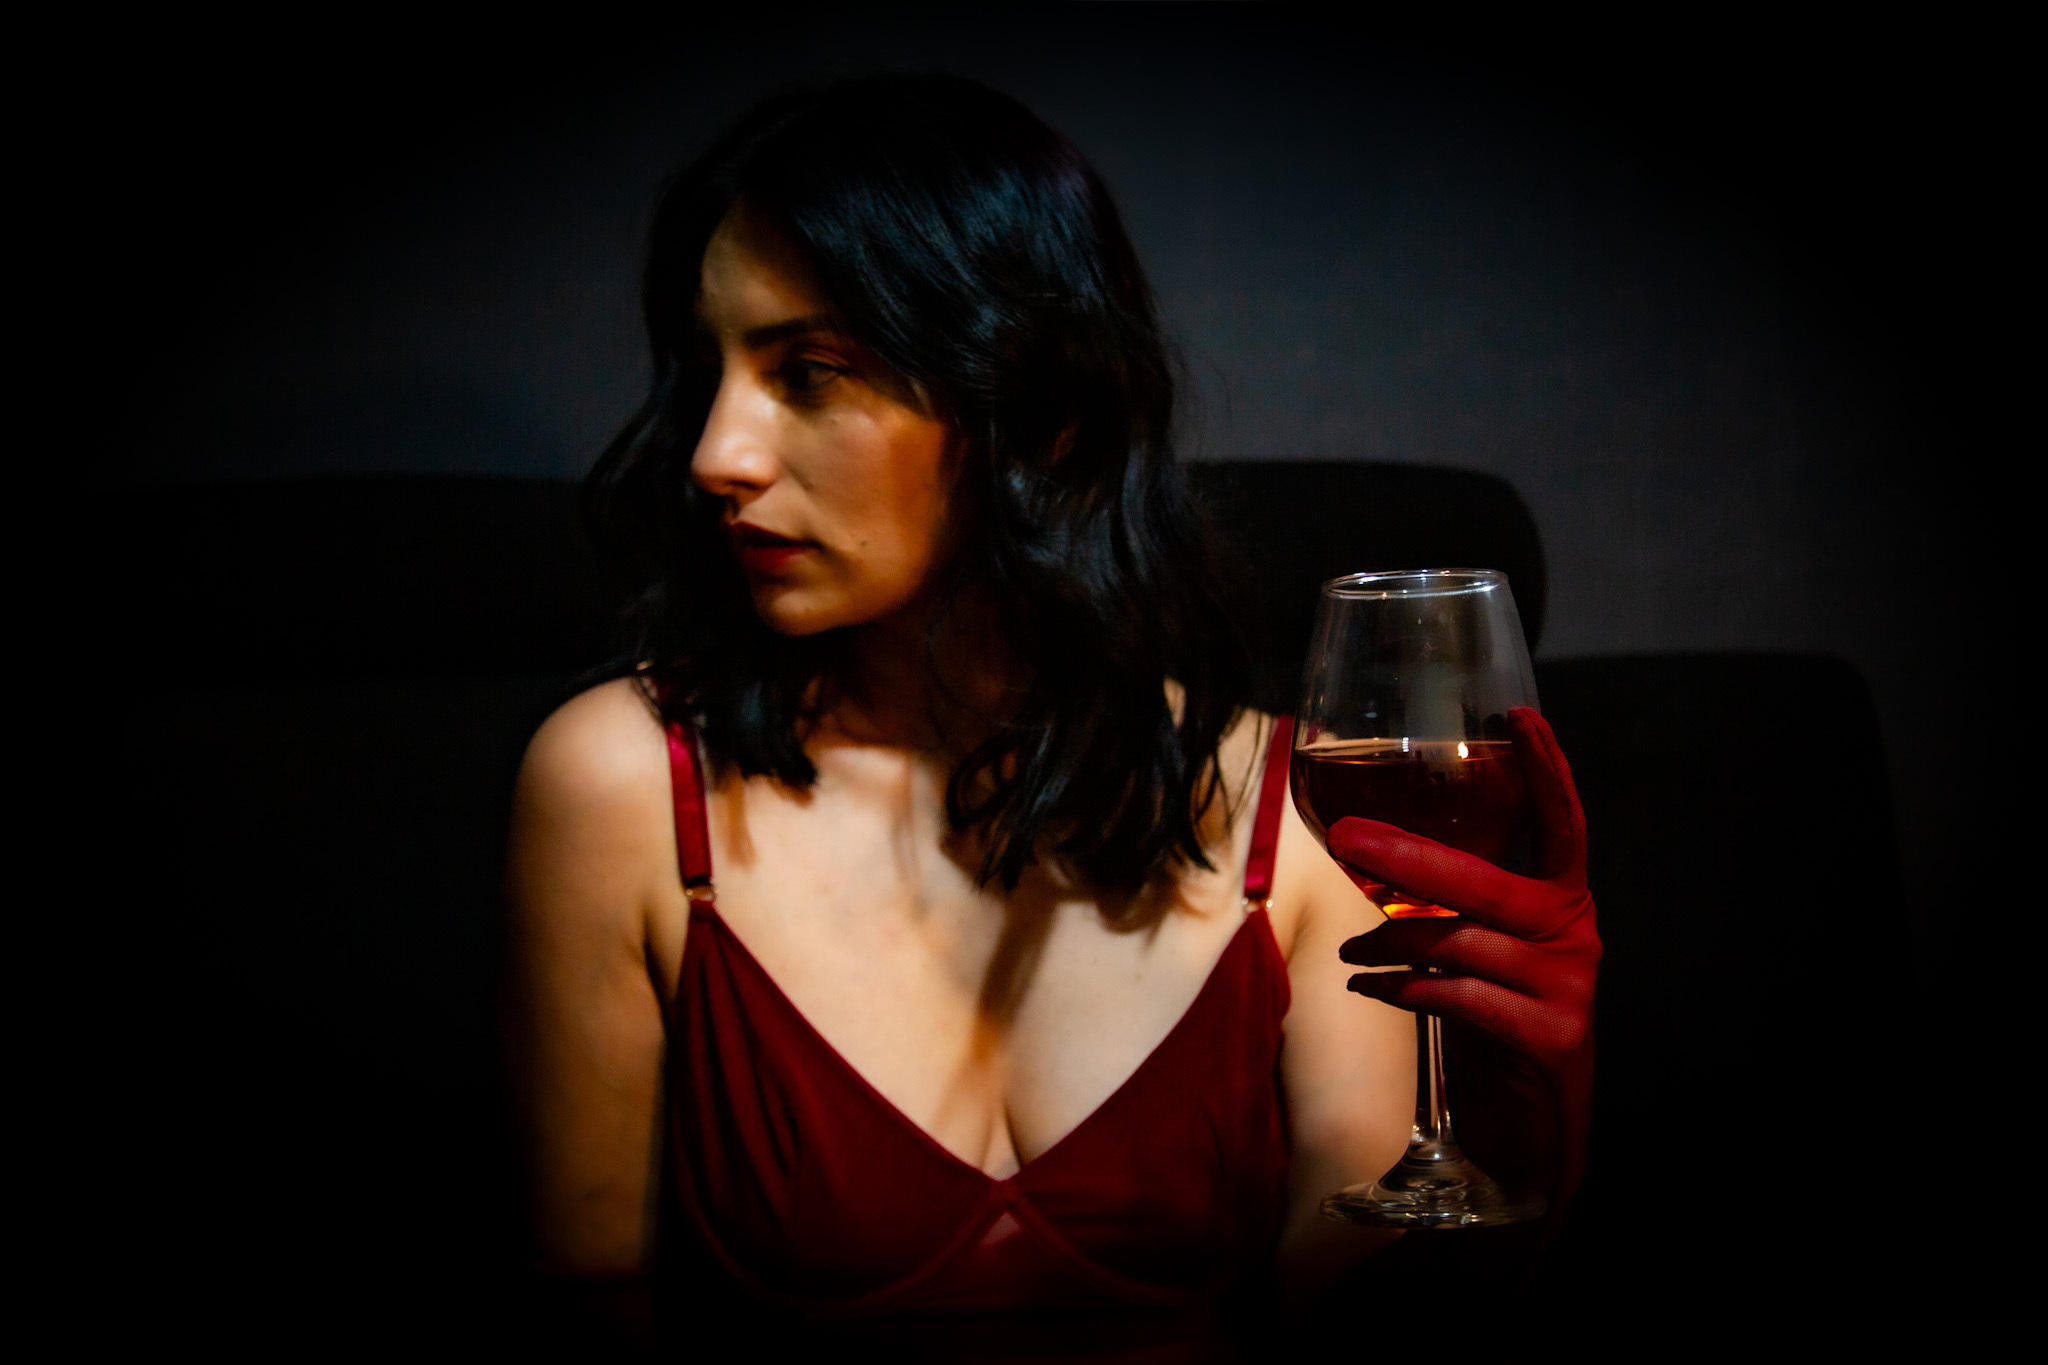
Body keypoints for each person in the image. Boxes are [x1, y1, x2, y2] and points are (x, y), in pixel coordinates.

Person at [504, 73, 1598, 1358]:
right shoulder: (625, 786)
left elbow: (1366, 1336)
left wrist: (1531, 1135)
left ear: (1042, 414)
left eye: (808, 371)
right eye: (711, 373)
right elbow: (590, 1312)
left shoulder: (1289, 810)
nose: (715, 455)